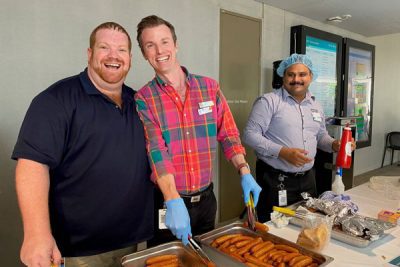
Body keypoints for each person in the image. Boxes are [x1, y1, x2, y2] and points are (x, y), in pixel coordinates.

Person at [12, 22, 154, 267]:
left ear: (130, 58)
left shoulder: (138, 102)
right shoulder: (55, 101)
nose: (113, 56)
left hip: (133, 243)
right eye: (104, 47)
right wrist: (36, 234)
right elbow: (33, 165)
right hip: (79, 250)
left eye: (121, 50)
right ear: (90, 54)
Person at [135, 15, 261, 246]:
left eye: (164, 42)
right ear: (144, 53)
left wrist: (244, 171)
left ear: (175, 44)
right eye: (149, 45)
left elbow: (228, 134)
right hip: (169, 203)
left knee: (205, 258)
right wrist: (172, 200)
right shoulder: (144, 98)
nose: (159, 50)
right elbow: (156, 151)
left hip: (206, 201)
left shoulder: (209, 87)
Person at [243, 53, 356, 222]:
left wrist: (334, 144)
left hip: (308, 179)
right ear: (283, 76)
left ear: (311, 77)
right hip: (275, 180)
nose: (296, 79)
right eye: (291, 74)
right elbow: (249, 135)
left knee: (306, 224)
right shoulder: (269, 101)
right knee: (275, 227)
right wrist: (282, 152)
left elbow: (320, 136)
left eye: (302, 74)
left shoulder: (316, 105)